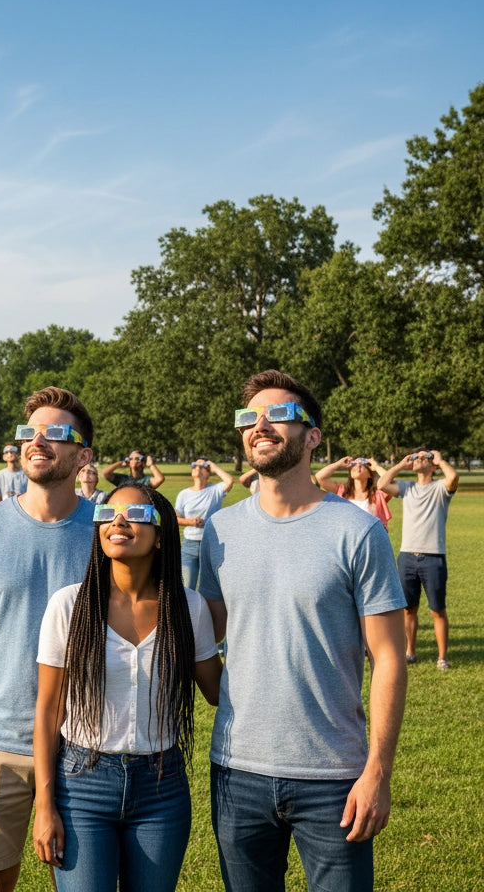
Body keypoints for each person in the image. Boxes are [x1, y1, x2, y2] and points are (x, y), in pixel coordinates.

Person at [199, 369, 407, 892]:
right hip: (236, 770)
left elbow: (387, 658)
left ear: (313, 436)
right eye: (250, 417)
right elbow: (206, 636)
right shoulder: (221, 531)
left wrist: (376, 772)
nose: (261, 425)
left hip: (334, 776)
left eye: (280, 414)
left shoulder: (357, 531)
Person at [0, 387, 95, 892]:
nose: (38, 440)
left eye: (56, 433)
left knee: (81, 884)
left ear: (83, 455)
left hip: (85, 742)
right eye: (30, 432)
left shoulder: (107, 531)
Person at [33, 486, 222, 891]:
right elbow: (49, 711)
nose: (117, 520)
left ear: (162, 533)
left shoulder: (188, 608)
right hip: (82, 784)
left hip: (162, 787)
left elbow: (218, 692)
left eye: (134, 512)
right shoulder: (70, 605)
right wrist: (44, 805)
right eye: (108, 512)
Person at [377, 449, 460, 669]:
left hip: (433, 557)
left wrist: (440, 460)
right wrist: (400, 466)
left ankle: (442, 657)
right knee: (409, 609)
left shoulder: (440, 488)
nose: (418, 458)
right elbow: (381, 485)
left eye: (425, 457)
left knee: (437, 610)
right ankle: (410, 652)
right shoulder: (408, 487)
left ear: (433, 466)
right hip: (407, 556)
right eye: (416, 456)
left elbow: (453, 478)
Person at [173, 457, 234, 589]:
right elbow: (175, 518)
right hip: (190, 544)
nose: (197, 468)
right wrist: (190, 521)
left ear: (208, 472)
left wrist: (212, 464)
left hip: (211, 543)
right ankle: (188, 610)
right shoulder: (184, 494)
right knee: (187, 586)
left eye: (202, 466)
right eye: (194, 465)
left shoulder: (215, 490)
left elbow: (229, 480)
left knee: (210, 587)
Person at [314, 456, 393, 528]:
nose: (358, 466)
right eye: (354, 464)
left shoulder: (377, 494)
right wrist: (338, 464)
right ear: (350, 472)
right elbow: (320, 477)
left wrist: (376, 467)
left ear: (370, 475)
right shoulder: (342, 491)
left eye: (362, 465)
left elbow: (392, 484)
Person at [101, 451, 165, 492]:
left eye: (137, 458)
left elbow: (160, 479)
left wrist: (151, 464)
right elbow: (106, 473)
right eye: (130, 458)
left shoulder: (146, 480)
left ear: (143, 463)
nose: (134, 460)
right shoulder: (123, 479)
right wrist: (120, 463)